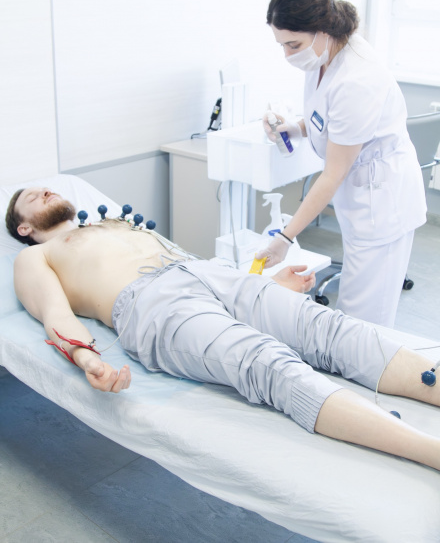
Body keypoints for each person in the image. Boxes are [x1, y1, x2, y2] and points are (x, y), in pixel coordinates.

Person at [5, 186, 440, 472]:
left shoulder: (114, 222)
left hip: (209, 273)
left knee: (329, 327)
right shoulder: (32, 258)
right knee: (267, 363)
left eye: (47, 187)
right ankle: (430, 452)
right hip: (150, 303)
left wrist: (264, 284)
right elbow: (55, 316)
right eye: (31, 196)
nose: (45, 190)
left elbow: (190, 264)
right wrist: (88, 360)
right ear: (23, 227)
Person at [257, 0, 426, 328]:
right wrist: (295, 128)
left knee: (362, 321)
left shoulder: (357, 79)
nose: (287, 55)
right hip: (361, 195)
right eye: (281, 45)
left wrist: (285, 238)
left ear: (322, 30)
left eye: (293, 44)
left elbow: (333, 173)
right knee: (353, 312)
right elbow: (328, 119)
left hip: (381, 203)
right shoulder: (323, 55)